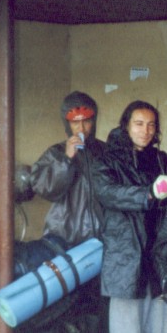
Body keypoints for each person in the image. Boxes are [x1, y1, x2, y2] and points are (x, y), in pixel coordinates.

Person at [92, 100, 167, 333]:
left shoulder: (162, 160)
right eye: (139, 124)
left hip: (161, 256)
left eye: (151, 125)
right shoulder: (108, 161)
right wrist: (148, 194)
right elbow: (108, 193)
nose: (145, 131)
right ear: (126, 125)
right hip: (127, 259)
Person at [30, 90, 105, 245]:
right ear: (67, 124)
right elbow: (46, 190)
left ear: (93, 121)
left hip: (102, 234)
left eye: (86, 121)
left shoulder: (106, 151)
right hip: (64, 235)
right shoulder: (55, 152)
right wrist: (66, 159)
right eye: (75, 123)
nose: (81, 128)